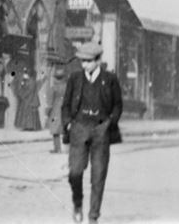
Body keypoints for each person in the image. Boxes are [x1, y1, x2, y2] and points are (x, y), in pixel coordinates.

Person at [61, 42, 122, 224]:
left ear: (97, 61)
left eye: (87, 61)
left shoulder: (110, 79)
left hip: (101, 130)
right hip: (79, 128)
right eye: (82, 61)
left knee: (98, 176)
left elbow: (118, 105)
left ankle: (93, 216)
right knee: (75, 172)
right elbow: (65, 105)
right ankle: (78, 203)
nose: (84, 65)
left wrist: (110, 124)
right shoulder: (75, 78)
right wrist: (68, 124)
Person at [47, 66, 67, 154]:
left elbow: (50, 101)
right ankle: (67, 148)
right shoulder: (67, 86)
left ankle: (57, 148)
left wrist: (47, 111)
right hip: (65, 109)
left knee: (55, 130)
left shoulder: (54, 88)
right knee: (65, 129)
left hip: (55, 110)